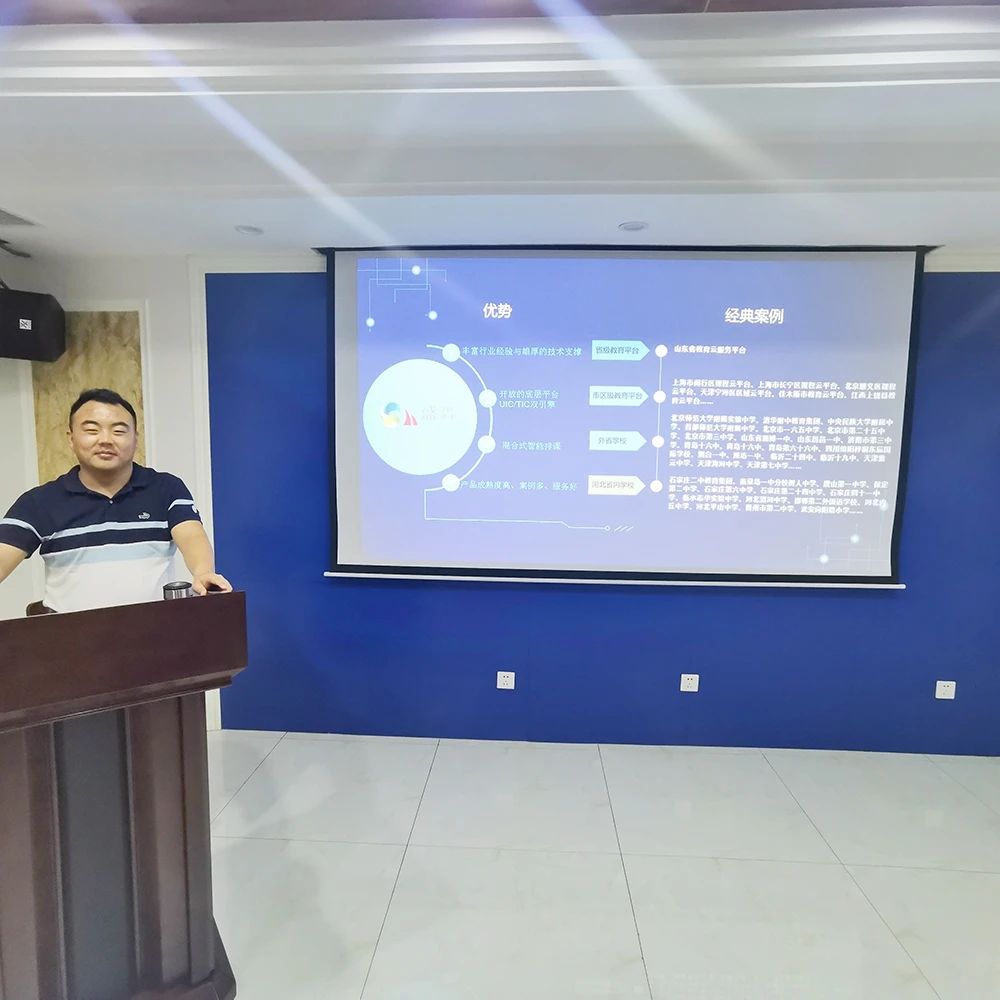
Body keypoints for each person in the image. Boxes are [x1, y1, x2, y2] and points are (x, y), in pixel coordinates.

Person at [0, 387, 231, 613]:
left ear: (135, 438)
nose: (106, 440)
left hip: (154, 631)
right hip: (71, 635)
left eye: (119, 431)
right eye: (92, 430)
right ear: (71, 438)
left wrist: (203, 572)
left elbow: (191, 535)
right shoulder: (39, 502)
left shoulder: (166, 488)